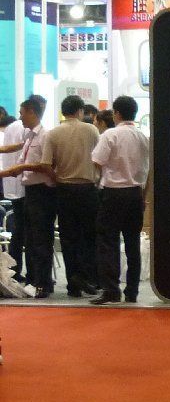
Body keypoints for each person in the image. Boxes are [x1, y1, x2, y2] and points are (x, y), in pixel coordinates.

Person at [90, 96, 149, 305]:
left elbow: (97, 161)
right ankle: (132, 291)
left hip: (113, 193)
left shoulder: (110, 134)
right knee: (132, 243)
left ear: (116, 113)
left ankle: (111, 290)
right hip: (135, 193)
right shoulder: (143, 137)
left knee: (108, 242)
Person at [41, 95, 100, 297]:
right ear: (80, 111)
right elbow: (99, 158)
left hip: (64, 190)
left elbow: (45, 164)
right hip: (88, 189)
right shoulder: (91, 130)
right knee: (89, 235)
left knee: (68, 238)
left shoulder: (53, 133)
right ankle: (85, 277)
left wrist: (57, 178)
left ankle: (72, 283)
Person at [0, 97, 56, 298]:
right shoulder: (30, 137)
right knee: (31, 239)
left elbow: (45, 165)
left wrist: (19, 168)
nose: (20, 117)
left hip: (42, 192)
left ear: (32, 112)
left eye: (22, 113)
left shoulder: (45, 136)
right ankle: (34, 279)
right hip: (30, 192)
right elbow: (16, 151)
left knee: (41, 240)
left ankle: (43, 283)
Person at [0, 114, 24, 281]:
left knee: (17, 229)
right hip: (17, 187)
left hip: (13, 187)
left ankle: (12, 271)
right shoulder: (16, 129)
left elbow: (8, 149)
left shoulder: (11, 131)